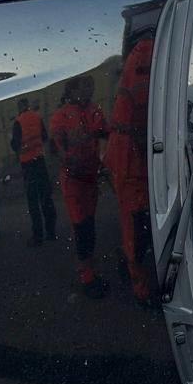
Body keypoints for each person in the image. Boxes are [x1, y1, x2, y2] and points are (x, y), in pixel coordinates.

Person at [105, 36, 154, 305]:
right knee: (136, 229)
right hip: (131, 163)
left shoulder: (140, 57)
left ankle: (132, 269)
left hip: (131, 160)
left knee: (137, 226)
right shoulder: (147, 56)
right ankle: (140, 288)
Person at [50, 77, 108, 298]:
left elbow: (104, 135)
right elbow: (57, 150)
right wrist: (68, 160)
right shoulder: (61, 116)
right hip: (73, 181)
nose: (89, 90)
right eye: (84, 86)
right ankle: (87, 278)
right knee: (82, 228)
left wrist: (103, 160)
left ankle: (90, 271)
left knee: (89, 226)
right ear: (72, 88)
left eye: (90, 86)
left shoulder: (94, 110)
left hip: (90, 178)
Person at [11, 98, 56, 245]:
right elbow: (44, 137)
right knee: (46, 198)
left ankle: (38, 235)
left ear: (20, 107)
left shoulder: (18, 122)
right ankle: (51, 232)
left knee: (33, 201)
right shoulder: (37, 117)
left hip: (28, 164)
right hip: (39, 160)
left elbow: (15, 145)